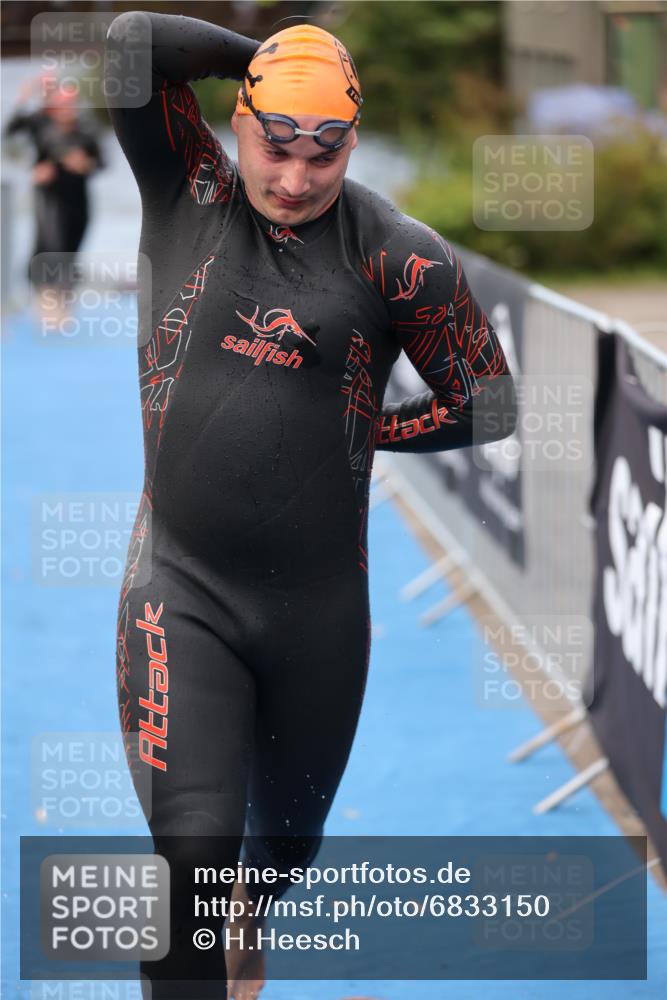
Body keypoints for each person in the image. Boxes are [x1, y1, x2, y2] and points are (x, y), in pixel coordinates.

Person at [105, 11, 517, 1000]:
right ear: (237, 121)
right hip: (180, 589)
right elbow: (129, 43)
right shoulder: (188, 187)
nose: (293, 177)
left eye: (322, 154)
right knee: (190, 860)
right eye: (274, 144)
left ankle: (253, 907)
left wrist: (369, 435)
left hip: (317, 619)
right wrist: (275, 59)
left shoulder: (394, 256)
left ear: (353, 145)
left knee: (280, 856)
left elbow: (488, 401)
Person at [4, 74, 103, 295]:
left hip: (78, 197)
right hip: (49, 196)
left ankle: (61, 298)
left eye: (71, 105)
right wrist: (23, 98)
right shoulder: (40, 123)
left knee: (72, 246)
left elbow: (101, 163)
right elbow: (10, 138)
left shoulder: (85, 131)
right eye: (62, 106)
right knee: (50, 243)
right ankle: (40, 295)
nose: (67, 110)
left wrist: (84, 164)